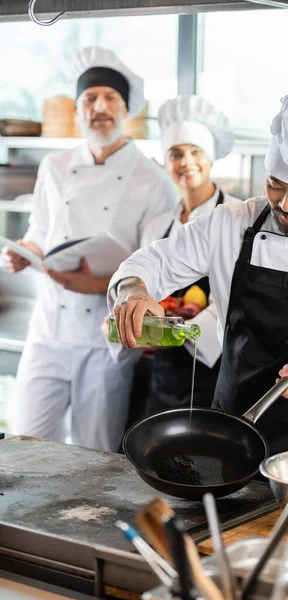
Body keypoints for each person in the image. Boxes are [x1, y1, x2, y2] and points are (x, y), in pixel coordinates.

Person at [108, 89, 288, 456]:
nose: (285, 204)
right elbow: (149, 263)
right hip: (225, 436)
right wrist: (133, 291)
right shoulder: (230, 223)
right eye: (276, 184)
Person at [1, 46, 176, 452]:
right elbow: (39, 232)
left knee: (93, 457)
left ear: (125, 108)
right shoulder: (55, 167)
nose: (100, 106)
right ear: (78, 110)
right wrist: (20, 253)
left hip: (106, 339)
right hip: (47, 331)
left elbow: (156, 270)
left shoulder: (153, 180)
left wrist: (93, 285)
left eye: (110, 97)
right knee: (24, 449)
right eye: (89, 98)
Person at [138, 95, 240, 414]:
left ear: (210, 158)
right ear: (165, 162)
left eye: (196, 152)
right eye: (176, 154)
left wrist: (180, 331)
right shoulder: (157, 225)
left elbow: (241, 297)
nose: (186, 162)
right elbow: (147, 287)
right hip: (166, 370)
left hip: (219, 364)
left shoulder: (237, 217)